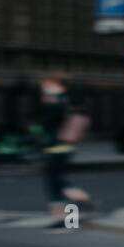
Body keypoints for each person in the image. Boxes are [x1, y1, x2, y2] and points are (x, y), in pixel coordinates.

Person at [38, 74, 93, 225]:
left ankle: (80, 201)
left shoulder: (55, 102)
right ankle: (64, 216)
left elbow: (49, 124)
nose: (44, 87)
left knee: (55, 180)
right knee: (55, 180)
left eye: (47, 84)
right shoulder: (65, 100)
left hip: (56, 146)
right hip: (64, 145)